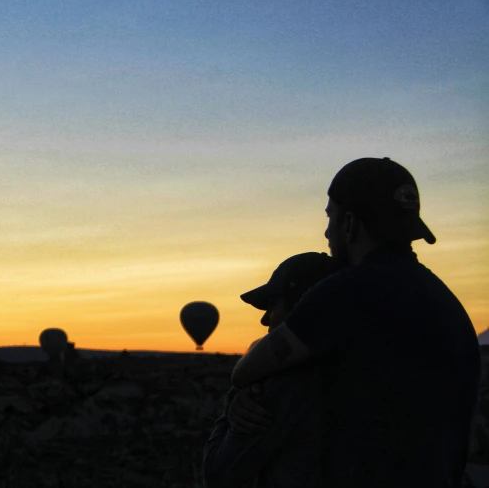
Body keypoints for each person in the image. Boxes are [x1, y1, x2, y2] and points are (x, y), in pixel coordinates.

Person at [230, 157, 481, 488]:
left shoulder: (347, 292)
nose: (326, 231)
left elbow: (246, 370)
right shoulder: (446, 302)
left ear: (349, 224)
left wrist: (253, 392)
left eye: (330, 217)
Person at [203, 252, 343, 488]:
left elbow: (218, 474)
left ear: (301, 309)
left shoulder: (283, 385)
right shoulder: (362, 369)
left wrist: (234, 402)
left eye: (272, 305)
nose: (265, 319)